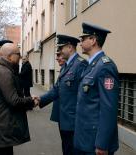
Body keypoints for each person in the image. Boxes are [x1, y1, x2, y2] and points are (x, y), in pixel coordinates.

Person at [34, 34, 88, 155]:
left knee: (74, 151)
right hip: (64, 120)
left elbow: (85, 96)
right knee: (66, 149)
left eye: (61, 48)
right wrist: (39, 99)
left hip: (74, 122)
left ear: (69, 47)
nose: (59, 52)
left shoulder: (81, 65)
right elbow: (57, 89)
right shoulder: (67, 66)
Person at [74, 22, 119, 155]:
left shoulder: (105, 66)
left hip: (95, 142)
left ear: (93, 40)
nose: (80, 43)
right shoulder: (91, 64)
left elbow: (109, 108)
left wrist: (102, 144)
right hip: (85, 138)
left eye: (83, 39)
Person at [0, 43, 36, 155]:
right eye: (18, 54)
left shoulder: (4, 70)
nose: (20, 57)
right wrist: (31, 101)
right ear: (10, 56)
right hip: (2, 127)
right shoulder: (4, 72)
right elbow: (14, 100)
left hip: (2, 125)